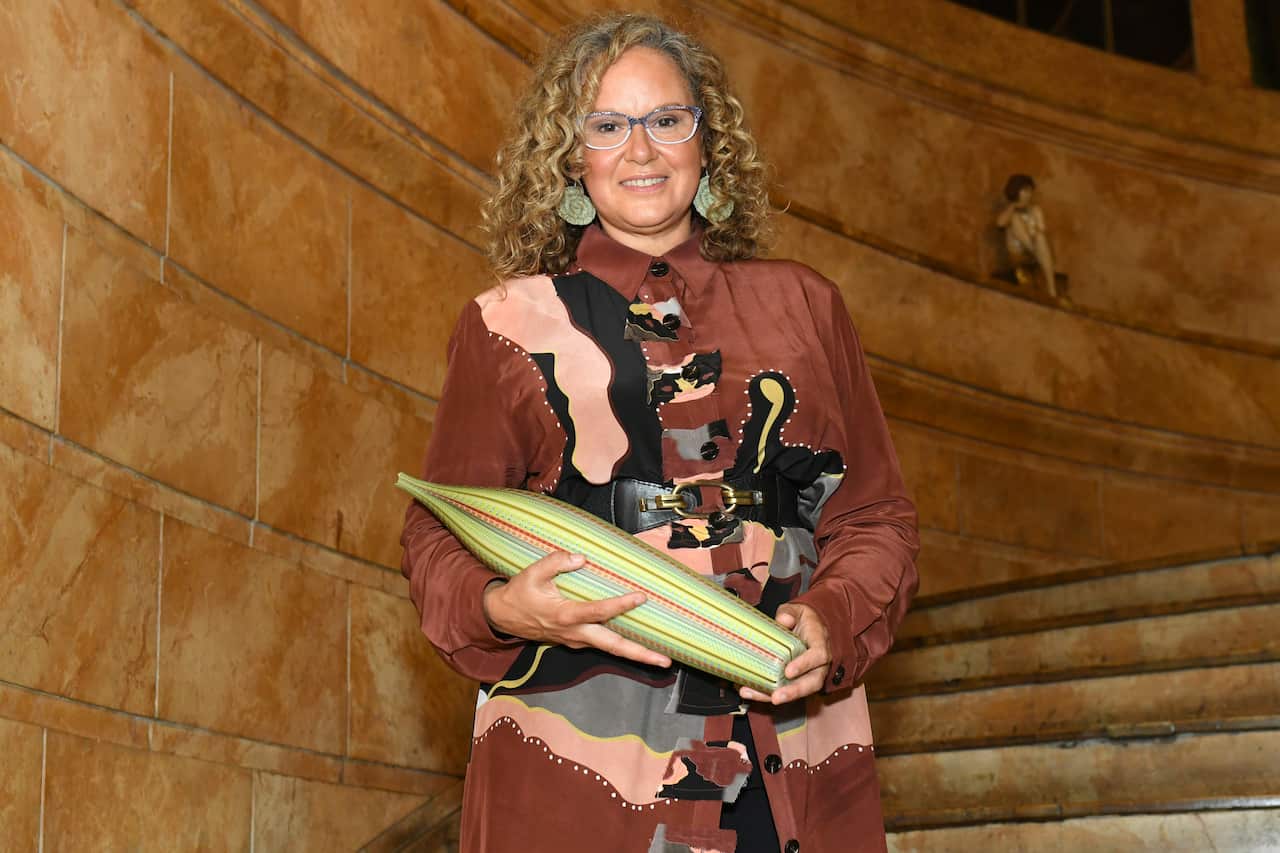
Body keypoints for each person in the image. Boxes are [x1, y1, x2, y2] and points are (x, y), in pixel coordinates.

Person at [401, 13, 918, 853]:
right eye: (606, 126)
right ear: (572, 158)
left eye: (665, 119)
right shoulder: (503, 324)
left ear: (707, 140)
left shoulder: (808, 306)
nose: (639, 150)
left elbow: (876, 518)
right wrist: (504, 605)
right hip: (573, 775)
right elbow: (435, 538)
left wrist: (835, 614)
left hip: (796, 762)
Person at [996, 173, 1057, 297]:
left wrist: (1034, 233)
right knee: (1014, 219)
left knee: (1040, 238)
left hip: (1036, 251)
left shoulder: (1035, 210)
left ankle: (1052, 288)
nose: (1028, 195)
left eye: (1029, 191)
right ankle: (1035, 253)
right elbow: (1000, 223)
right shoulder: (1011, 212)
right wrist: (1013, 207)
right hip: (1018, 253)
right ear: (1016, 191)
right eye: (1024, 191)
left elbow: (1041, 231)